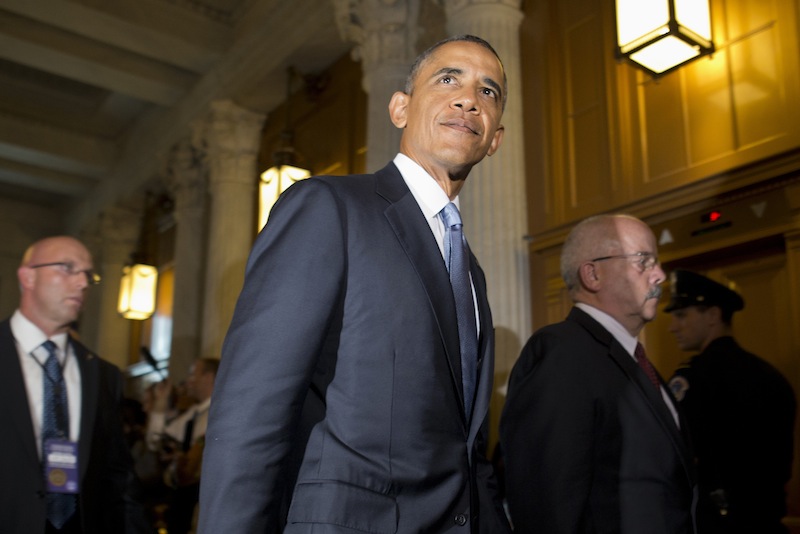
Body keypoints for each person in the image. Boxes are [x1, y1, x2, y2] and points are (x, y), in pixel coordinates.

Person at [198, 34, 510, 533]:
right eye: (448, 79)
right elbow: (254, 410)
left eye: (488, 92)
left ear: (494, 138)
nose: (468, 99)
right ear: (399, 109)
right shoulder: (328, 208)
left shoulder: (470, 271)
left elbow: (466, 444)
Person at [500, 214, 697, 533]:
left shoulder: (631, 358)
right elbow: (549, 505)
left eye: (657, 262)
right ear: (593, 274)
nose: (660, 275)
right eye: (643, 261)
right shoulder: (562, 352)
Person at [0, 236, 149, 533]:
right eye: (67, 268)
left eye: (88, 274)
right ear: (27, 276)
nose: (82, 283)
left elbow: (118, 480)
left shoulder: (103, 374)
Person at [665, 269, 797, 534]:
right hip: (767, 521)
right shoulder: (770, 375)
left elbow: (672, 452)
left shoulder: (694, 377)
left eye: (682, 315)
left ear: (713, 315)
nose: (672, 326)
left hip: (716, 522)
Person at [146, 358, 218, 534]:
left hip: (201, 497)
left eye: (193, 374)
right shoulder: (194, 413)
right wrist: (161, 402)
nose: (188, 381)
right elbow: (156, 441)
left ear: (208, 377)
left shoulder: (219, 412)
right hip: (180, 493)